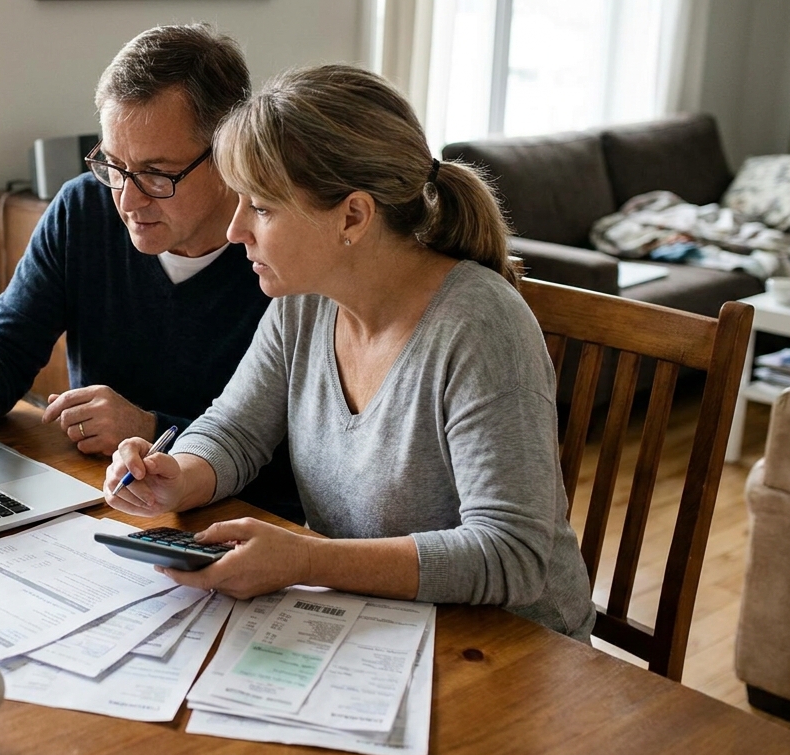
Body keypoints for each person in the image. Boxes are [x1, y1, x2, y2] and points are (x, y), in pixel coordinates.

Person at [103, 64, 595, 641]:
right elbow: (234, 432)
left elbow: (512, 554)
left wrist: (306, 559)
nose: (237, 230)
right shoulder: (305, 301)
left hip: (513, 654)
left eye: (260, 207)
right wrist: (176, 477)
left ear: (353, 217)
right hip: (381, 627)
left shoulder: (481, 327)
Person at [0, 23, 301, 521]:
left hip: (237, 522)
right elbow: (12, 337)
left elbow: (299, 465)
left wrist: (151, 428)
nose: (127, 200)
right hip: (100, 503)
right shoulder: (82, 209)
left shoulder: (283, 255)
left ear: (226, 152)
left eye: (156, 173)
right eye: (113, 165)